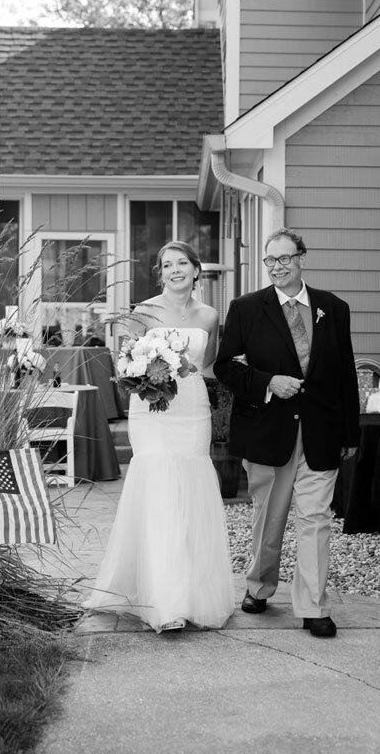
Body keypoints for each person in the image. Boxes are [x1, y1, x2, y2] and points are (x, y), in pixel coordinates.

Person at [213, 228, 360, 638]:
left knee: (316, 519)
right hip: (268, 429)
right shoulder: (245, 309)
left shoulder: (334, 308)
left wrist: (351, 431)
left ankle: (314, 607)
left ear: (302, 258)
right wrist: (268, 382)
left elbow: (345, 373)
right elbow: (225, 367)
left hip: (322, 431)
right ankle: (259, 586)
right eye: (270, 260)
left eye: (285, 258)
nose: (277, 267)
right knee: (269, 517)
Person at [85, 241, 233, 632]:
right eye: (166, 265)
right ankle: (163, 601)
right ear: (160, 272)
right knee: (160, 492)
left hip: (192, 409)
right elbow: (124, 363)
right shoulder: (144, 311)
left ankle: (191, 592)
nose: (174, 270)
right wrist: (148, 379)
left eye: (182, 263)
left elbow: (209, 363)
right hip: (151, 410)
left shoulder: (210, 315)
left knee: (190, 491)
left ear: (197, 270)